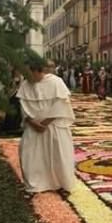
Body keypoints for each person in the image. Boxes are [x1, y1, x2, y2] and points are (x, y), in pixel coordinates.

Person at [17, 59, 76, 194]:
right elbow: (23, 106)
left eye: (31, 74)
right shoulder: (25, 85)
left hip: (54, 126)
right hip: (33, 127)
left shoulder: (56, 82)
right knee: (29, 155)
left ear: (38, 71)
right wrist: (32, 122)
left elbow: (61, 104)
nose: (28, 77)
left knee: (58, 156)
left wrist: (44, 123)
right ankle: (35, 184)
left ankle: (61, 183)